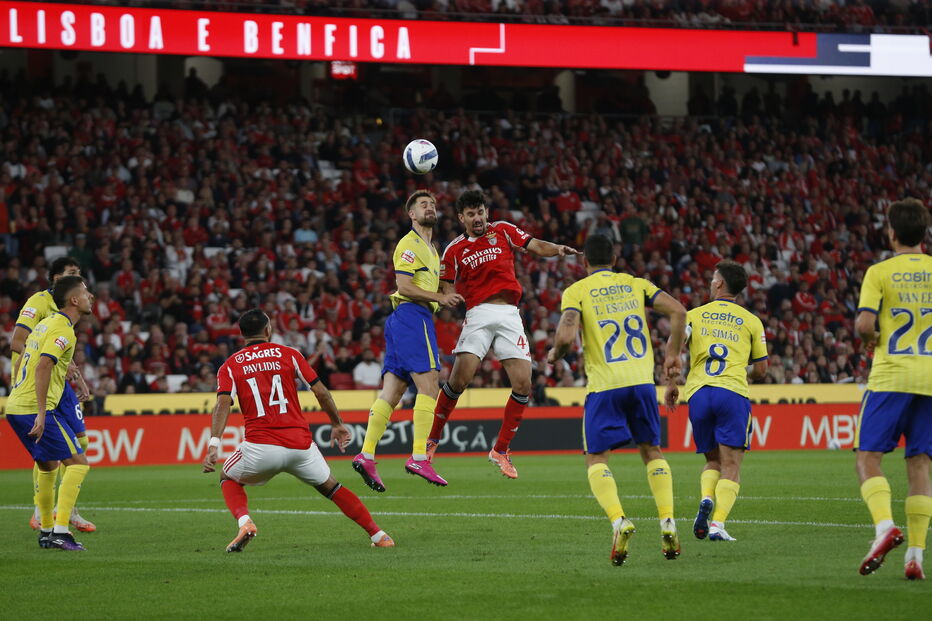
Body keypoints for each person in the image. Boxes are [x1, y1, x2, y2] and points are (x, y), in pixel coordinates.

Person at [202, 309, 394, 552]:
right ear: (268, 329)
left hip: (261, 448)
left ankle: (245, 522)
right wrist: (337, 423)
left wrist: (214, 445)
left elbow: (222, 404)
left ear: (242, 334)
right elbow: (321, 391)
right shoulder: (289, 354)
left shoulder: (230, 365)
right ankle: (379, 535)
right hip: (300, 446)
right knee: (331, 487)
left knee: (227, 477)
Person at [547, 234, 686, 566]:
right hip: (641, 383)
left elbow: (566, 335)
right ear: (614, 258)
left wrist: (555, 354)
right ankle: (667, 520)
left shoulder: (577, 291)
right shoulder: (636, 284)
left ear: (585, 262)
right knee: (651, 450)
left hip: (605, 386)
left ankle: (619, 521)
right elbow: (680, 311)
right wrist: (673, 354)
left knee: (596, 458)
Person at [427, 190, 580, 479]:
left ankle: (500, 450)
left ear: (487, 212)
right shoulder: (454, 250)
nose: (477, 218)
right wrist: (446, 297)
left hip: (510, 314)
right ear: (461, 218)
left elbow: (535, 245)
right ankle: (432, 438)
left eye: (480, 212)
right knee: (459, 380)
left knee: (523, 384)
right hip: (479, 314)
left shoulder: (503, 230)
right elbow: (445, 286)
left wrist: (558, 248)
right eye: (471, 214)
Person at [352, 191, 463, 492]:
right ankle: (418, 457)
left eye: (433, 205)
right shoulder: (409, 244)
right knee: (429, 385)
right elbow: (404, 285)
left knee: (392, 392)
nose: (430, 208)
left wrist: (448, 293)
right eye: (423, 205)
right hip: (414, 316)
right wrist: (440, 297)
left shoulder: (433, 249)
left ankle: (366, 454)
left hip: (405, 320)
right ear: (412, 214)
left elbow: (440, 287)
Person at [853, 198, 931, 580]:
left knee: (868, 458)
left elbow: (864, 325)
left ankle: (885, 527)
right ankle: (915, 556)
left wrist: (873, 339)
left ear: (892, 233)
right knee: (921, 464)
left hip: (892, 377)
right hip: (930, 379)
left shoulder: (879, 272)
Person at [666, 260, 768, 542]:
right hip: (731, 392)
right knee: (732, 464)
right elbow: (761, 370)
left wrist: (672, 382)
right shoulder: (751, 321)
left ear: (720, 283)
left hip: (699, 394)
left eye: (713, 279)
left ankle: (707, 498)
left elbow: (674, 344)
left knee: (712, 459)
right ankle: (718, 524)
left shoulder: (694, 315)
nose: (711, 283)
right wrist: (743, 369)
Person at [6, 276, 94, 550]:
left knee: (47, 468)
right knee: (79, 463)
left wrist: (19, 389)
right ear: (74, 300)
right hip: (34, 408)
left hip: (16, 406)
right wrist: (43, 413)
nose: (90, 296)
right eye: (86, 293)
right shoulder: (63, 329)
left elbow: (24, 359)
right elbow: (43, 365)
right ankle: (61, 531)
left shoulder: (45, 324)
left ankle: (46, 531)